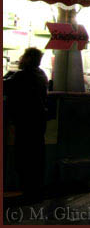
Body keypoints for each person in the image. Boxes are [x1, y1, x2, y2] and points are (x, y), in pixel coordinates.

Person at [3, 48, 49, 200]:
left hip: (25, 122)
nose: (20, 59)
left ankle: (27, 190)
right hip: (39, 121)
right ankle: (35, 189)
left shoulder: (22, 75)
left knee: (23, 156)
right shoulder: (42, 74)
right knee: (36, 155)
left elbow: (6, 86)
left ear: (28, 58)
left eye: (23, 56)